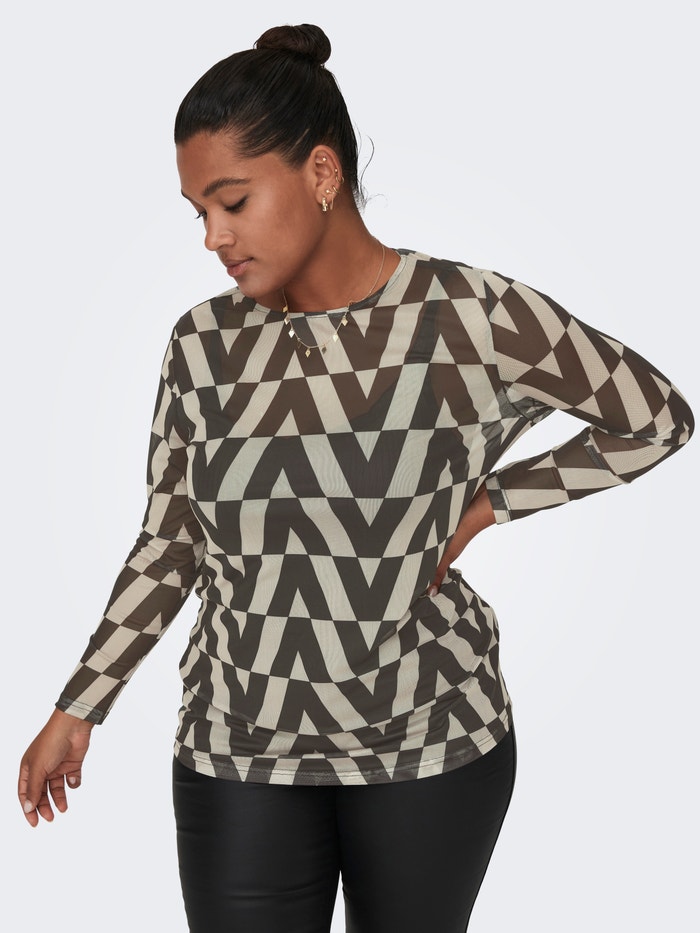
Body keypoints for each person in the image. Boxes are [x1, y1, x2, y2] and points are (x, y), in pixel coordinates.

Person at [18, 22, 693, 933]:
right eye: (198, 211)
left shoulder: (469, 317)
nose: (213, 236)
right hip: (237, 748)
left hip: (432, 745)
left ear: (322, 174)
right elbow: (172, 538)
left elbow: (655, 417)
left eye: (232, 201)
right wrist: (80, 703)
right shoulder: (202, 344)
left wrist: (492, 503)